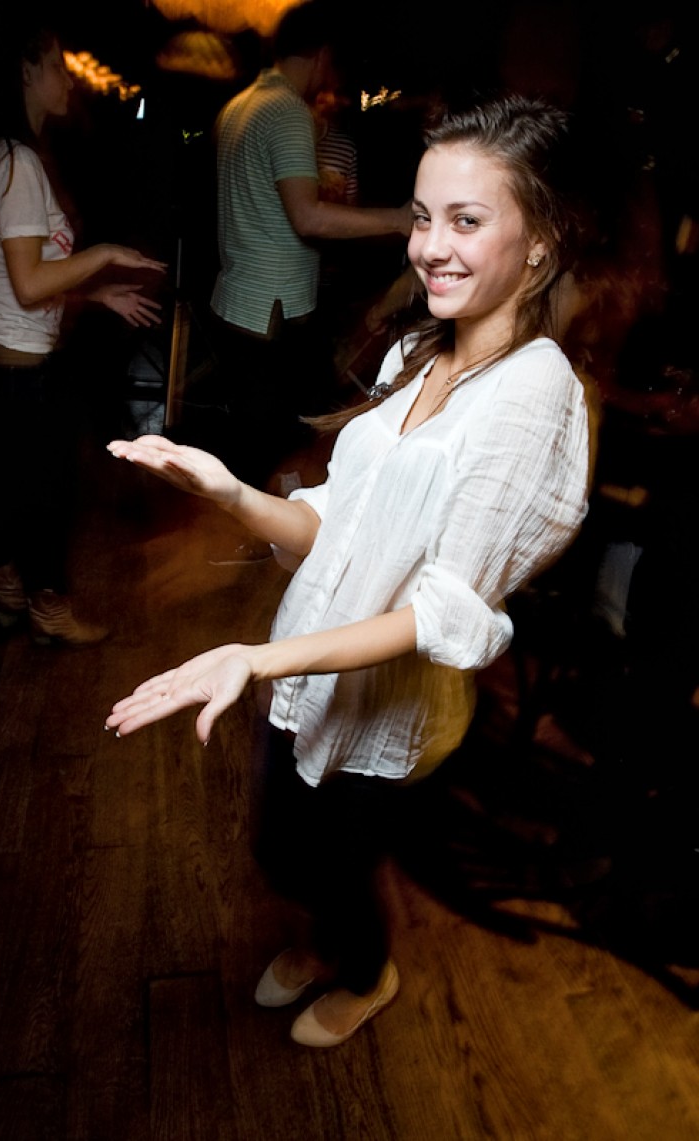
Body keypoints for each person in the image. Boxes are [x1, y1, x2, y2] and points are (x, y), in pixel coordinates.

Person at [105, 92, 592, 1047]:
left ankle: (365, 969)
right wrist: (233, 492)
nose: (428, 246)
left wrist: (252, 656)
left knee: (331, 859)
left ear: (538, 241)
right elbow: (338, 521)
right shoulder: (418, 348)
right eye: (420, 216)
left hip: (382, 702)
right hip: (305, 665)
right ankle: (332, 941)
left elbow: (442, 607)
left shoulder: (536, 395)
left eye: (466, 220)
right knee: (284, 849)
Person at [0, 19, 165, 645]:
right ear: (25, 72)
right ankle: (48, 612)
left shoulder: (0, 153)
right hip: (17, 376)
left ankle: (8, 591)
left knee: (6, 493)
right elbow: (26, 284)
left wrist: (94, 293)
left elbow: (7, 276)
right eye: (56, 65)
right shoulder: (19, 163)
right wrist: (102, 256)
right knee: (46, 499)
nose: (68, 78)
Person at [205, 0, 411, 498]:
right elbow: (307, 217)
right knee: (280, 432)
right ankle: (251, 540)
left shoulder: (238, 106)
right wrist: (400, 219)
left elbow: (261, 199)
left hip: (237, 298)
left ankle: (244, 533)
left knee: (253, 431)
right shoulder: (288, 111)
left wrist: (317, 181)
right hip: (274, 307)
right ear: (321, 56)